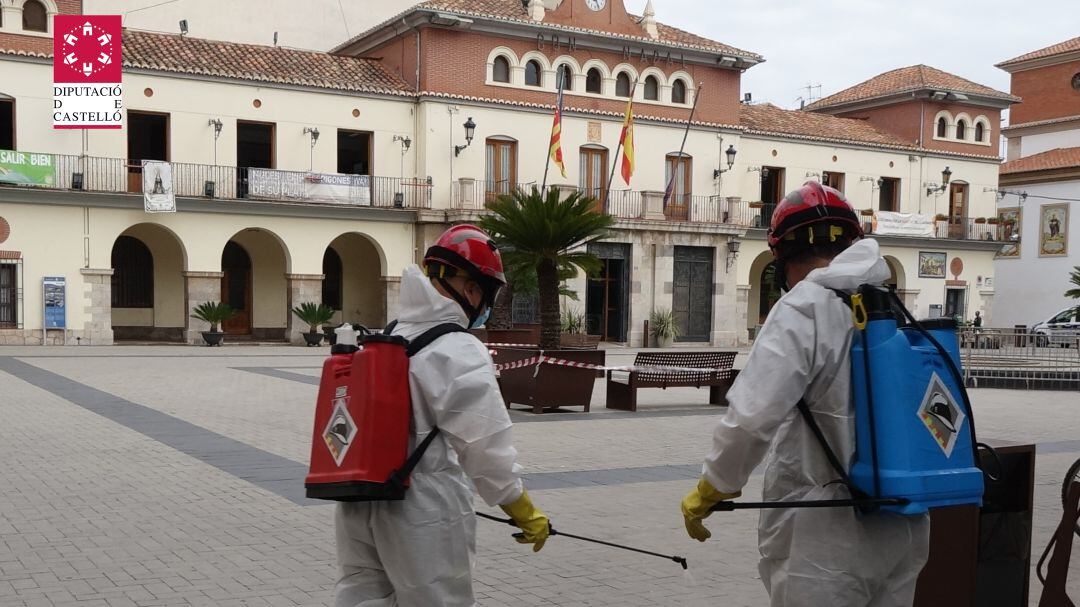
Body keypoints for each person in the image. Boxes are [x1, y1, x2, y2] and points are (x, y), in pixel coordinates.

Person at [680, 182, 930, 607]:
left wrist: (714, 485)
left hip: (826, 535)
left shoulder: (804, 306)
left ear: (782, 258)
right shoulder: (889, 304)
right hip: (903, 523)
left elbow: (752, 416)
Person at [335, 224, 550, 607]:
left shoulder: (391, 333)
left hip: (358, 496)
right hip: (421, 508)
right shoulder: (456, 348)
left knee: (361, 599)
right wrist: (521, 507)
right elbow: (485, 445)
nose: (482, 309)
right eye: (485, 297)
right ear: (471, 289)